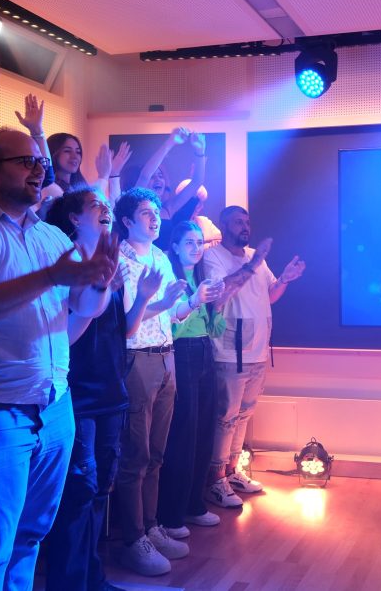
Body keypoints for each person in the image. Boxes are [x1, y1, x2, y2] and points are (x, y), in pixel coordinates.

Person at [0, 128, 117, 590]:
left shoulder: (49, 235)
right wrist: (52, 276)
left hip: (53, 406)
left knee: (30, 537)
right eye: (25, 161)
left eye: (39, 162)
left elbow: (83, 307)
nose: (38, 170)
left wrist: (98, 279)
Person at [44, 188, 130, 591]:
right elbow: (66, 336)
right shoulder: (66, 262)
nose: (105, 209)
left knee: (100, 491)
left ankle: (93, 578)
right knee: (80, 493)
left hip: (111, 389)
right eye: (96, 205)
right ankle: (70, 583)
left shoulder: (110, 263)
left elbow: (119, 332)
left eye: (106, 205)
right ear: (74, 219)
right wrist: (100, 288)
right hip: (78, 393)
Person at [202, 206, 305, 507]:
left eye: (247, 221)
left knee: (244, 415)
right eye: (238, 222)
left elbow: (270, 294)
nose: (245, 226)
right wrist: (254, 263)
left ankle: (232, 471)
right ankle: (215, 480)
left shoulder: (254, 257)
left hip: (259, 351)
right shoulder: (213, 256)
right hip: (230, 352)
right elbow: (220, 295)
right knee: (226, 418)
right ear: (224, 226)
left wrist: (284, 279)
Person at [112, 187, 192, 576]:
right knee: (136, 454)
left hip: (166, 354)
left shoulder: (160, 255)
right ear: (127, 221)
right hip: (137, 358)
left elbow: (172, 314)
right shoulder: (119, 260)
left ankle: (150, 526)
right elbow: (127, 322)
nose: (155, 217)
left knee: (157, 452)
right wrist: (161, 302)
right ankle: (132, 539)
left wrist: (193, 300)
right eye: (146, 212)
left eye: (157, 211)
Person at [158, 221, 225, 540]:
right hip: (181, 352)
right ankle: (171, 514)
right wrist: (195, 301)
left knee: (205, 430)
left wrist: (218, 305)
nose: (197, 248)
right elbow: (171, 329)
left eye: (199, 242)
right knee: (183, 433)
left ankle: (195, 505)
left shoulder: (201, 277)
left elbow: (215, 329)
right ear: (174, 246)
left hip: (204, 351)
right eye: (189, 242)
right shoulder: (169, 279)